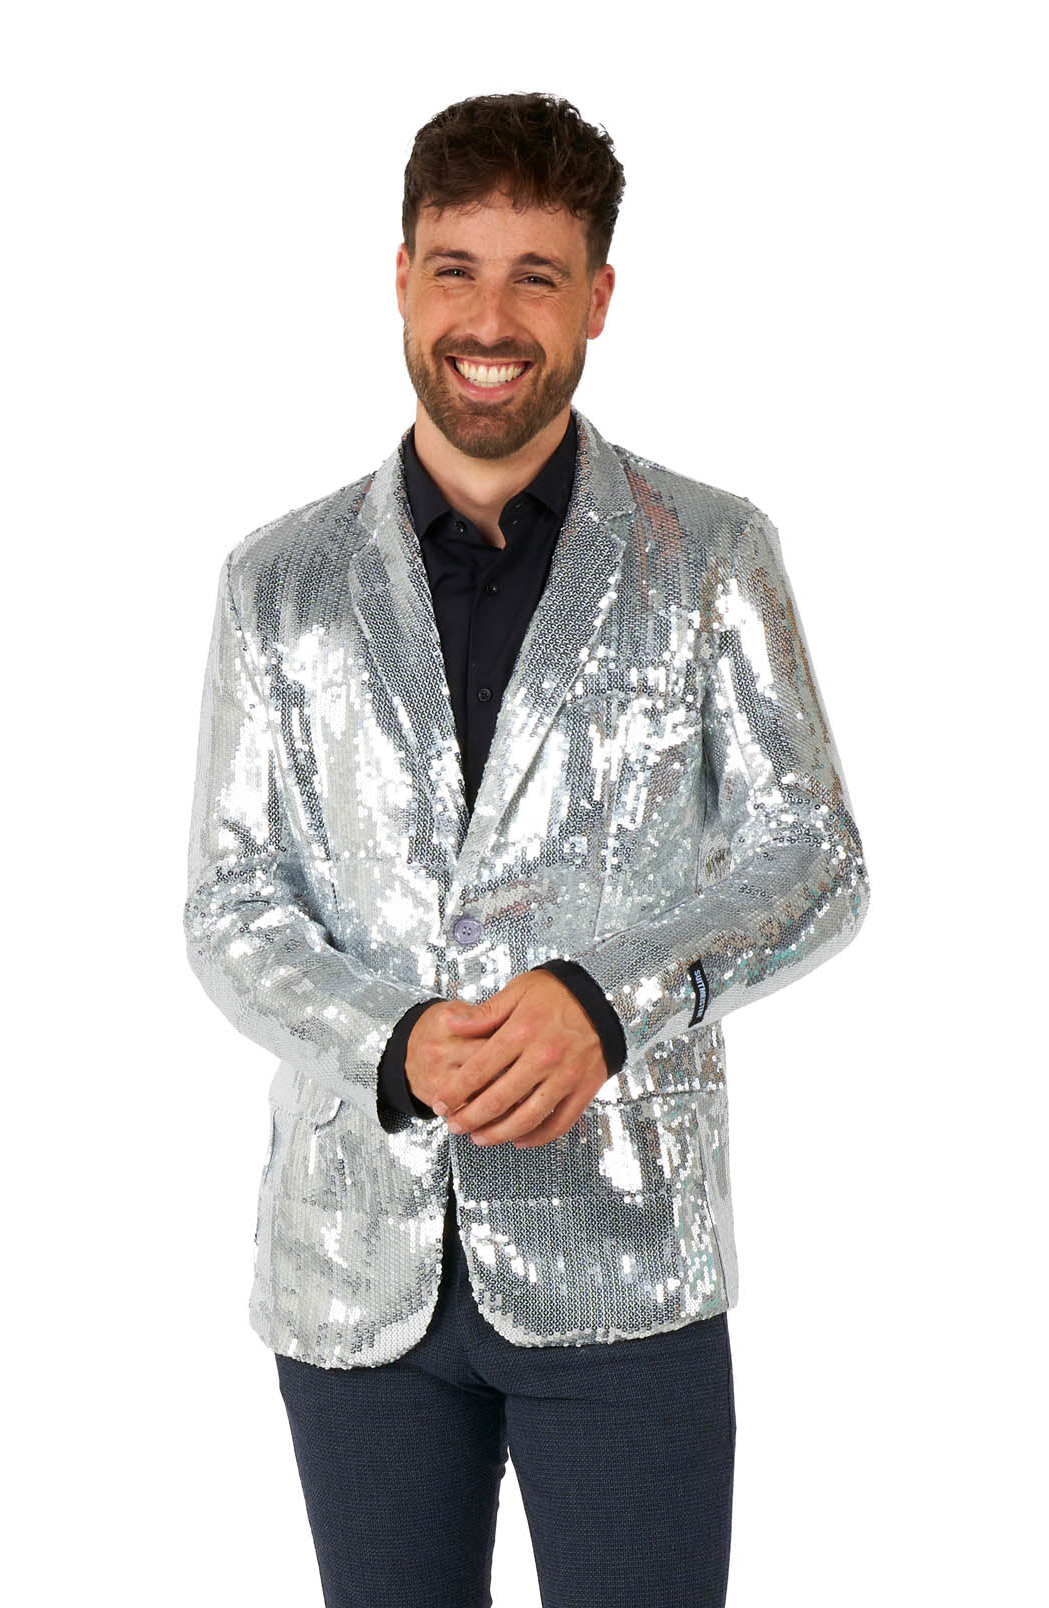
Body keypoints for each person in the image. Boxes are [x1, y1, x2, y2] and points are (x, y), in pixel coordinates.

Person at [183, 91, 871, 1608]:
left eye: (535, 276)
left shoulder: (711, 552)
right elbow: (232, 904)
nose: (488, 319)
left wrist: (609, 998)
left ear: (598, 299)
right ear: (403, 279)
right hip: (355, 1267)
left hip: (625, 1256)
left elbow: (813, 853)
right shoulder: (279, 584)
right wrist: (393, 1038)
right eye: (455, 269)